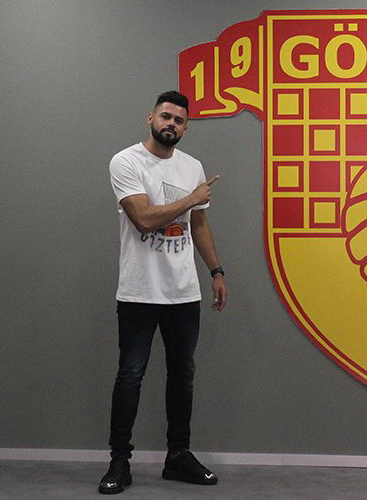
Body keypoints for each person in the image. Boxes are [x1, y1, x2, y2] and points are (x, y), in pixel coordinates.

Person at [99, 90, 227, 495]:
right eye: (166, 116)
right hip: (139, 291)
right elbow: (142, 218)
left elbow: (198, 225)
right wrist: (191, 198)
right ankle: (120, 461)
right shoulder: (126, 161)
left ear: (186, 128)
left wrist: (216, 271)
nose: (171, 124)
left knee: (182, 375)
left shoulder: (192, 166)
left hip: (183, 293)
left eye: (179, 120)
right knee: (130, 375)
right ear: (150, 118)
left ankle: (178, 456)